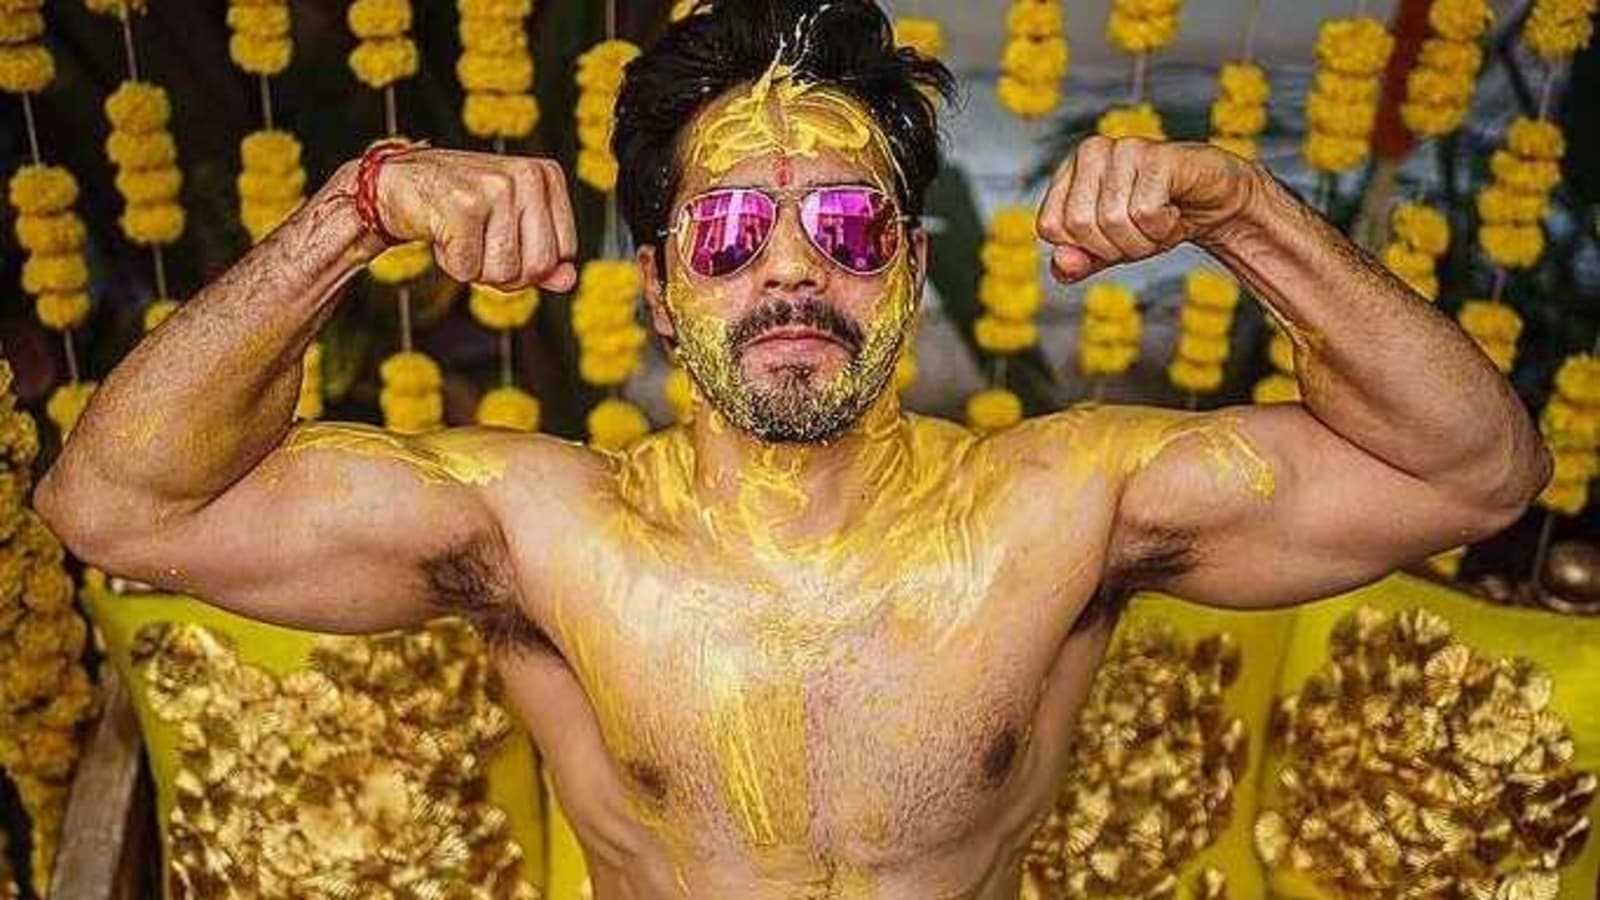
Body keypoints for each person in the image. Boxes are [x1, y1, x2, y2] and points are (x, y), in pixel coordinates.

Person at [35, 1, 1550, 896]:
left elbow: (1472, 474)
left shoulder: (1062, 508)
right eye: (729, 232)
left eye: (843, 225)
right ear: (661, 282)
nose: (788, 273)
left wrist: (1241, 209)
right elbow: (113, 505)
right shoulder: (537, 534)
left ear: (904, 264)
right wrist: (357, 210)